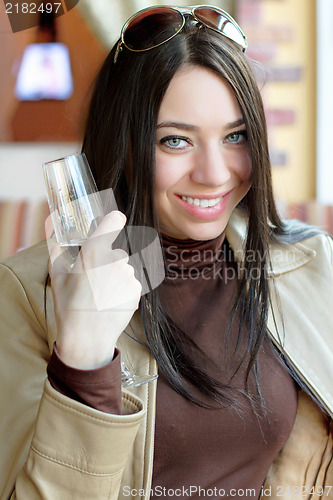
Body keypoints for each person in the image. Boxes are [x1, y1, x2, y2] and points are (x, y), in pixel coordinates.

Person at [0, 5, 332, 499]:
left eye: (235, 136)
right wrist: (84, 356)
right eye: (175, 141)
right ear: (125, 143)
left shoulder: (309, 265)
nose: (214, 173)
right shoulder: (27, 293)